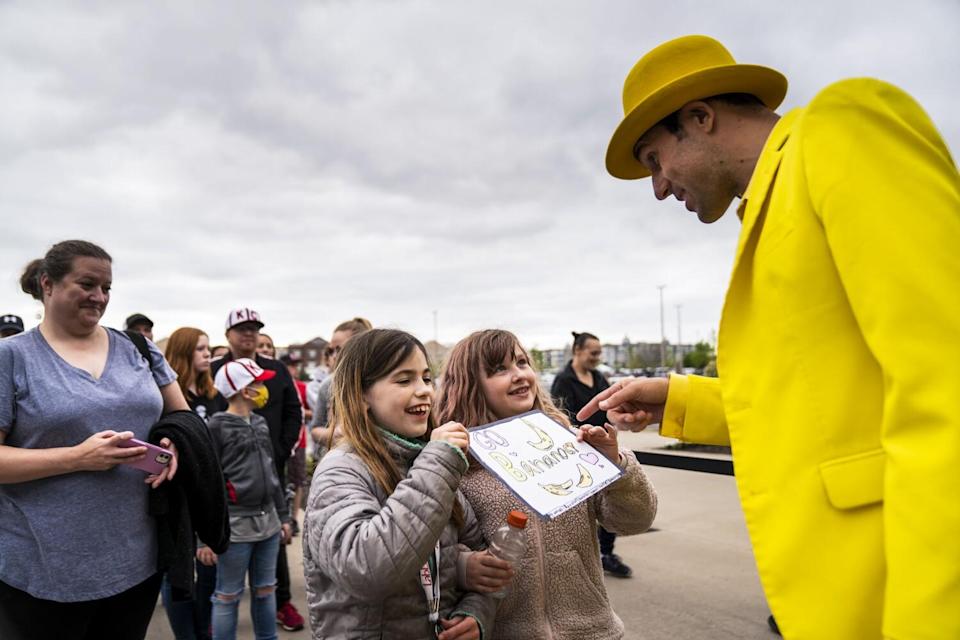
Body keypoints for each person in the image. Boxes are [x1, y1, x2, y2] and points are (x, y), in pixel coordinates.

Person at [589, 35, 960, 638]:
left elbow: (947, 380)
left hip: (904, 592)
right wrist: (679, 399)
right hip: (843, 596)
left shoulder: (843, 129)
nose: (657, 188)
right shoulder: (770, 204)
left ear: (700, 117)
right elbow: (821, 400)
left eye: (656, 160)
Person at [0, 240, 188, 640]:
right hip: (44, 571)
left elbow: (182, 416)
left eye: (106, 288)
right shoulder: (11, 357)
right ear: (47, 284)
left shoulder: (138, 347)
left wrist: (175, 443)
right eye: (87, 284)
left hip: (136, 562)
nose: (99, 297)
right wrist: (76, 457)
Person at [435, 329, 657, 639]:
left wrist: (616, 465)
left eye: (522, 363)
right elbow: (434, 548)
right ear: (470, 385)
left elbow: (634, 521)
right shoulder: (455, 462)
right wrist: (463, 566)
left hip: (593, 630)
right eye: (500, 369)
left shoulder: (569, 444)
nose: (519, 375)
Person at [304, 329, 493, 639]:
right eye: (404, 380)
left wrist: (475, 612)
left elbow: (481, 556)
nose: (424, 392)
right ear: (362, 394)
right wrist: (439, 463)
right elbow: (365, 568)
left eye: (426, 379)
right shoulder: (341, 469)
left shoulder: (427, 462)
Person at [210, 307, 305, 632]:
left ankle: (279, 614)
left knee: (267, 587)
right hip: (235, 520)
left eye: (255, 328)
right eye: (242, 328)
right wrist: (202, 538)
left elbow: (293, 413)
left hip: (267, 509)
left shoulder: (264, 412)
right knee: (228, 593)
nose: (249, 334)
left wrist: (283, 516)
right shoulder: (217, 423)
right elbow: (209, 481)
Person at [550, 331, 631, 578]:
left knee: (609, 499)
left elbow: (609, 407)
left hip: (601, 451)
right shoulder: (564, 381)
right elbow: (557, 417)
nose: (597, 357)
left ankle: (606, 553)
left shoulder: (597, 377)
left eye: (599, 353)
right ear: (578, 351)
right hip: (576, 453)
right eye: (593, 353)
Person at [161, 327, 224, 639]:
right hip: (178, 499)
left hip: (208, 496)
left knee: (210, 573)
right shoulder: (167, 399)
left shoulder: (215, 397)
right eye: (200, 349)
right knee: (178, 579)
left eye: (208, 348)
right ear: (183, 352)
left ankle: (204, 633)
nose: (207, 355)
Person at [308, 317, 372, 460]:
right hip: (339, 461)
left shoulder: (380, 382)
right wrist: (334, 433)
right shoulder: (328, 385)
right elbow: (315, 428)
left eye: (340, 349)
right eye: (331, 350)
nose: (334, 356)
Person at [280, 353, 310, 535]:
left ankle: (294, 518)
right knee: (282, 481)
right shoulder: (280, 385)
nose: (294, 369)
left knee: (297, 481)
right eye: (290, 365)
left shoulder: (302, 387)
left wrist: (299, 411)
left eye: (295, 365)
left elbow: (313, 412)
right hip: (281, 441)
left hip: (300, 442)